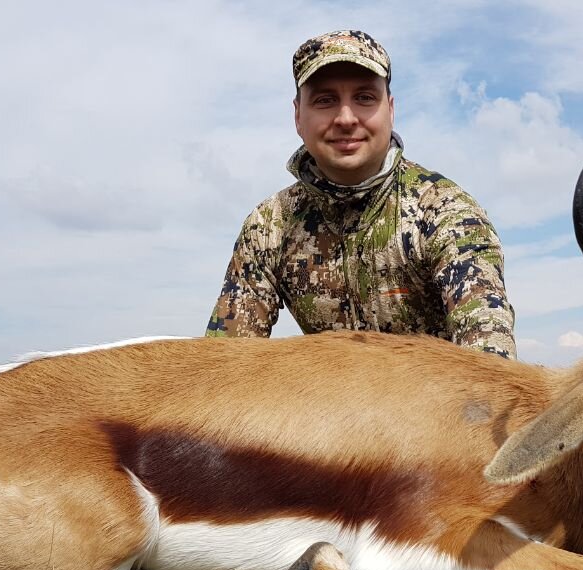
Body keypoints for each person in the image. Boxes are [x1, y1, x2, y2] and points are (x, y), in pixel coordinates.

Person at [205, 29, 517, 359]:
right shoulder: (269, 226)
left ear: (391, 109)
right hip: (325, 406)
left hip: (440, 407)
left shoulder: (445, 211)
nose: (345, 118)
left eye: (365, 98)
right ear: (298, 115)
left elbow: (489, 360)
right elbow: (222, 366)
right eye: (325, 100)